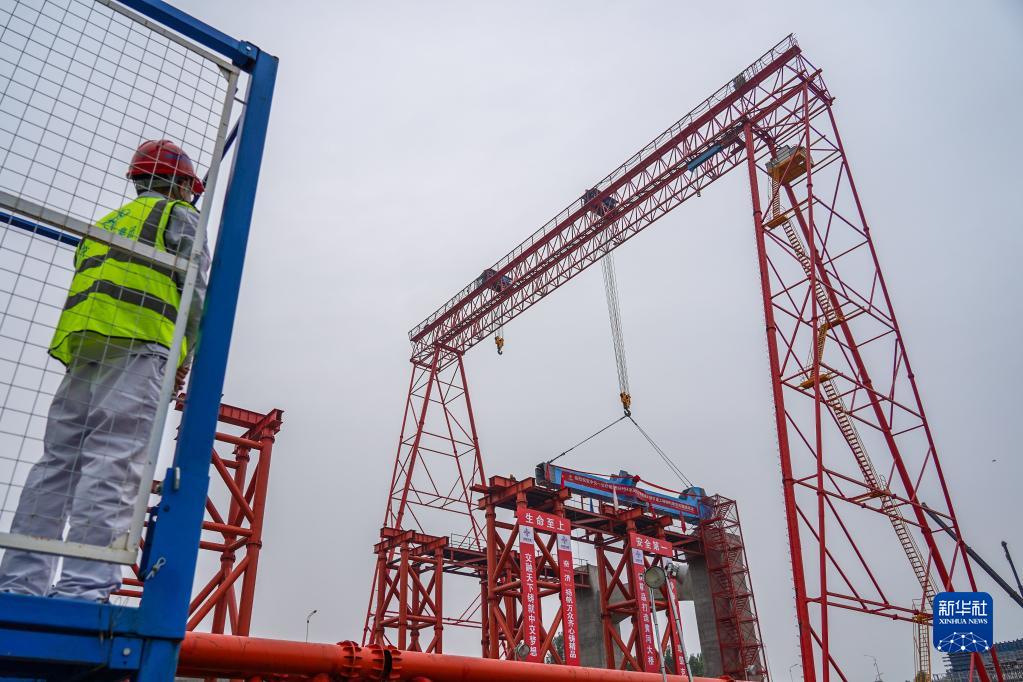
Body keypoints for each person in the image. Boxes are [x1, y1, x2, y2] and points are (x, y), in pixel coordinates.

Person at [0, 140, 211, 602]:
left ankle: (19, 585)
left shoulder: (105, 224)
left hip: (84, 350)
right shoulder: (179, 216)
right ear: (181, 183)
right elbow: (197, 293)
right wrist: (186, 358)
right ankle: (84, 587)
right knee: (114, 462)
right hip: (141, 344)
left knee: (56, 465)